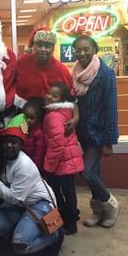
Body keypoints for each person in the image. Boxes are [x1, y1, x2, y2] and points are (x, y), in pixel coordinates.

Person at [0, 114, 64, 256]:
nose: (9, 145)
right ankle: (20, 227)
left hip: (39, 203)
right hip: (21, 203)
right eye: (6, 141)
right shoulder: (3, 157)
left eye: (14, 142)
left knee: (21, 244)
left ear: (21, 145)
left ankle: (54, 236)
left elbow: (13, 198)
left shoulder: (24, 166)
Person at [72, 35, 120, 228]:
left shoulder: (105, 74)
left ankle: (111, 204)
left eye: (86, 49)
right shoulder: (76, 73)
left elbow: (111, 108)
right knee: (96, 173)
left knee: (88, 172)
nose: (82, 53)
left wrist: (110, 140)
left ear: (95, 50)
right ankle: (98, 211)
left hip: (99, 133)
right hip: (83, 132)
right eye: (78, 50)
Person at [15, 28, 77, 132]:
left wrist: (75, 117)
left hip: (51, 120)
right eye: (39, 45)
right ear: (34, 46)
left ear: (53, 48)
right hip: (24, 116)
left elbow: (71, 99)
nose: (43, 49)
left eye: (47, 46)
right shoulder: (22, 63)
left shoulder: (61, 70)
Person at [43, 82, 84, 235]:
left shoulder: (52, 115)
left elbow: (57, 144)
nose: (49, 96)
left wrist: (49, 166)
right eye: (49, 93)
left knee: (57, 192)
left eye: (54, 96)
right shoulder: (65, 111)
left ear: (61, 99)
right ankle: (70, 218)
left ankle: (69, 223)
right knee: (69, 193)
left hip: (62, 163)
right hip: (69, 160)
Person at [22, 98, 46, 171]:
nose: (28, 120)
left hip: (32, 166)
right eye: (26, 117)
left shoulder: (39, 133)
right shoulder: (23, 127)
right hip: (22, 162)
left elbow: (39, 154)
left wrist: (35, 168)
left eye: (32, 118)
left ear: (38, 119)